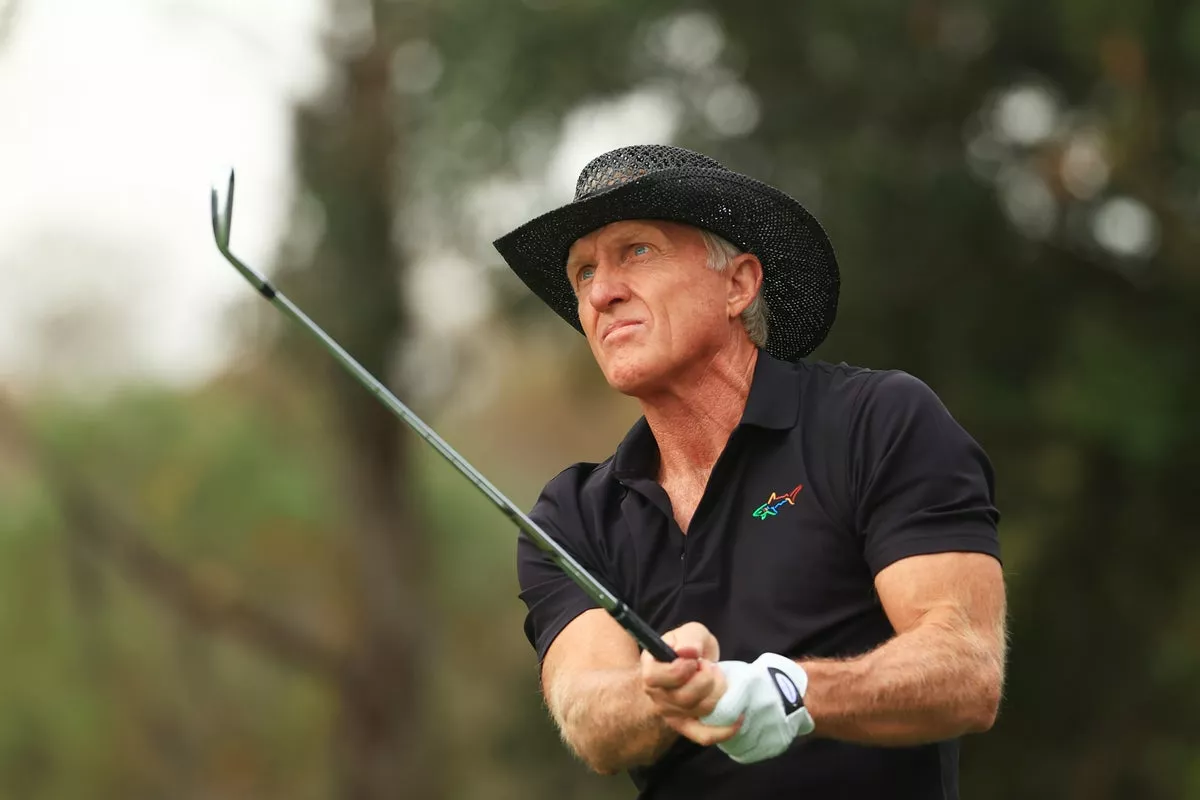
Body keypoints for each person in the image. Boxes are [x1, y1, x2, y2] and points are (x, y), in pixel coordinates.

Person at [493, 144, 1006, 799]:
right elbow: (590, 719)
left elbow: (967, 668)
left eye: (637, 251)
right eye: (584, 271)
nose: (601, 292)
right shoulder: (572, 513)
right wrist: (663, 691)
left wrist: (791, 692)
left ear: (738, 284)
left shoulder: (876, 420)